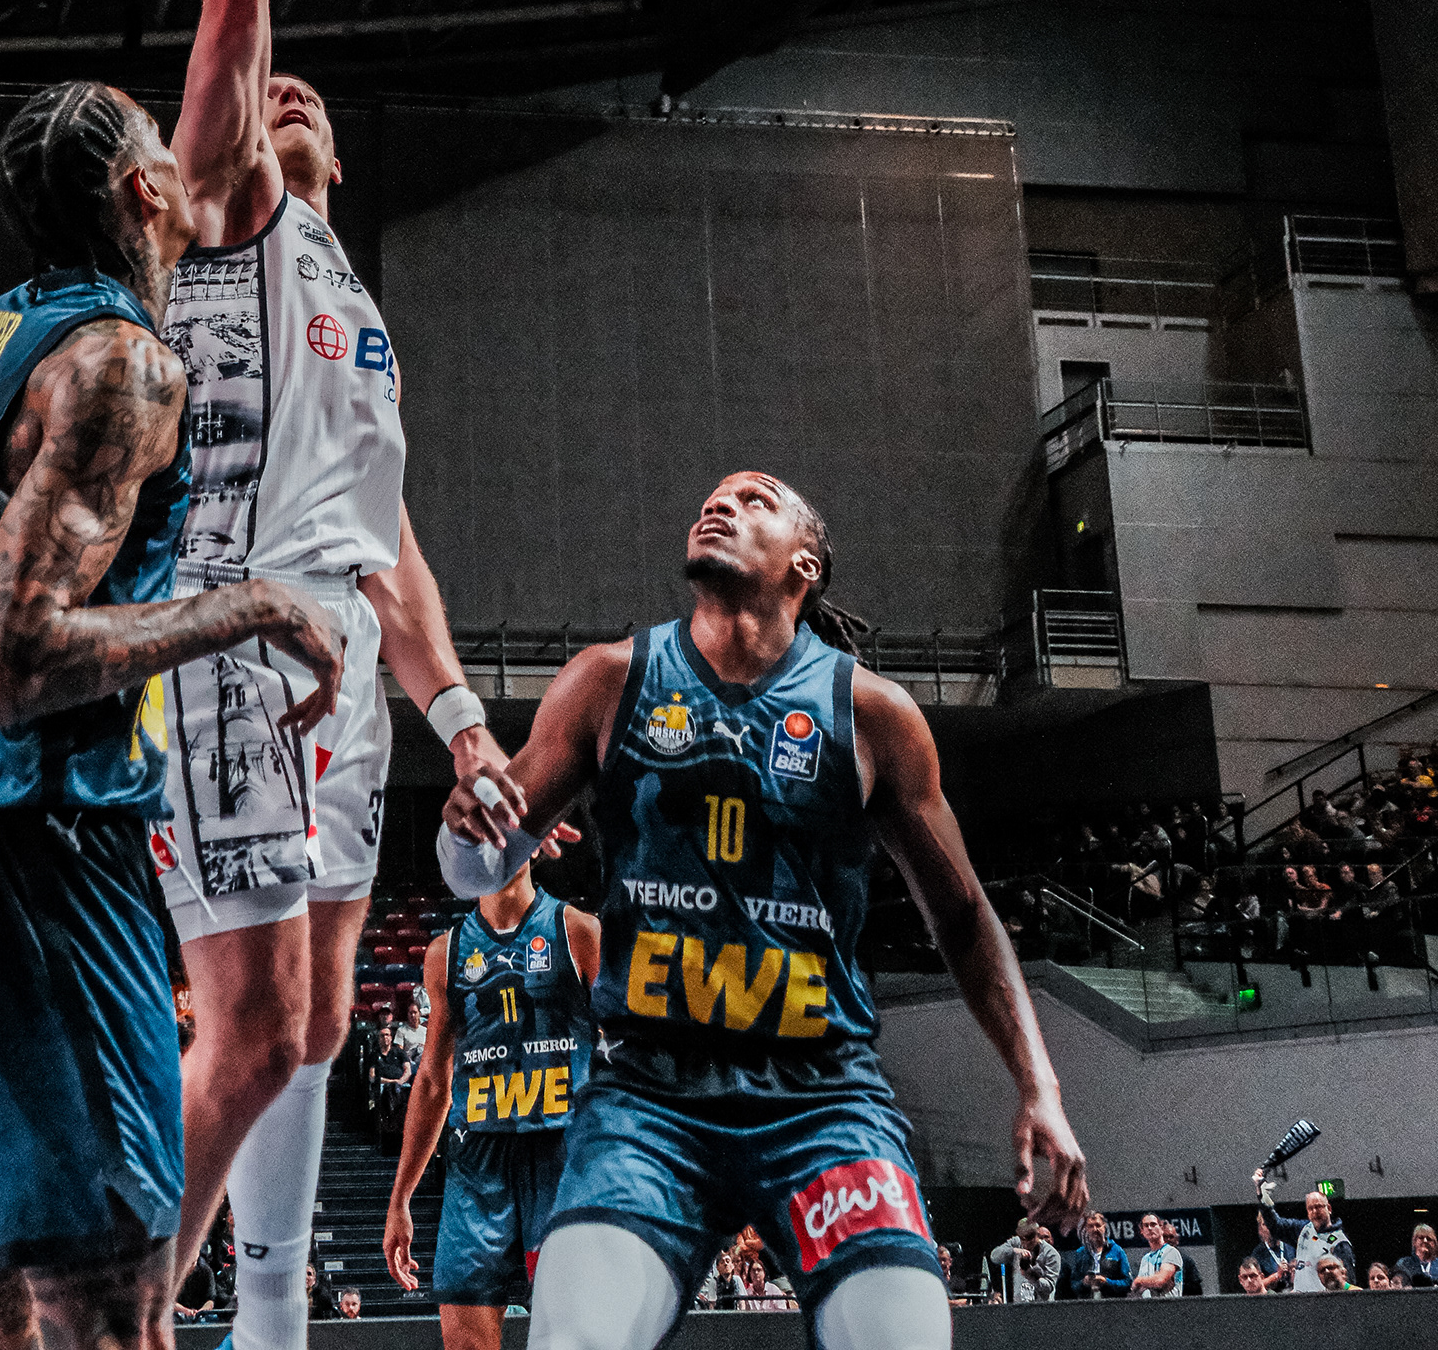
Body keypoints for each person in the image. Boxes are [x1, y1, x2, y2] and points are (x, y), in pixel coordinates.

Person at [0, 80, 346, 1350]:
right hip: (36, 847)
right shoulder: (122, 363)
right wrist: (246, 605)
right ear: (144, 190)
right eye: (161, 139)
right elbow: (13, 667)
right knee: (114, 1314)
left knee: (13, 1315)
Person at [155, 0, 526, 1350]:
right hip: (239, 642)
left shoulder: (361, 318)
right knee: (250, 1031)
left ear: (345, 156)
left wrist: (464, 720)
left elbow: (396, 552)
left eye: (314, 101)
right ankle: (108, 1313)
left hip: (352, 673)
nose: (287, 93)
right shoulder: (229, 224)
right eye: (271, 95)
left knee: (308, 1030)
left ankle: (271, 1322)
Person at [434, 471, 1087, 1350]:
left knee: (904, 1339)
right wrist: (463, 830)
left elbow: (964, 920)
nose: (720, 505)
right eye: (714, 497)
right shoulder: (609, 680)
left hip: (822, 1097)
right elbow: (479, 864)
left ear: (804, 565)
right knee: (574, 1338)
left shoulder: (871, 713)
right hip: (649, 1099)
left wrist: (1040, 1087)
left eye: (755, 500)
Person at [385, 866, 600, 1346]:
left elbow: (629, 1048)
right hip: (478, 1162)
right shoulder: (446, 953)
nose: (497, 841)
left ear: (537, 842)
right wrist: (401, 1198)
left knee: (576, 1334)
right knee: (463, 1338)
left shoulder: (578, 932)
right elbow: (433, 1082)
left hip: (562, 1155)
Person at [1252, 1177, 1353, 1294]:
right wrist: (1264, 1199)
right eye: (1311, 1208)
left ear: (1329, 1208)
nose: (1315, 1212)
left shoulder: (1339, 1242)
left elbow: (1347, 1282)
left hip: (1322, 1300)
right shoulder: (1303, 1229)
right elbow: (1276, 1227)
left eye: (1318, 1207)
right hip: (1300, 1299)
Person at [986, 1225, 1059, 1305]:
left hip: (1042, 1305)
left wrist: (1032, 1275)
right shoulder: (1017, 1242)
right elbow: (994, 1256)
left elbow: (1049, 1287)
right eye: (1023, 1240)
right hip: (1019, 1304)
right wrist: (1013, 1250)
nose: (1026, 1245)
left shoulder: (1051, 1254)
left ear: (1037, 1236)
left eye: (1030, 1240)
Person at [1064, 1217, 1130, 1301]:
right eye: (1090, 1226)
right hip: (1087, 1303)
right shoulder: (1080, 1253)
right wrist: (1084, 1282)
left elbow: (1128, 1282)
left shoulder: (1117, 1250)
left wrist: (1106, 1281)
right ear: (1086, 1230)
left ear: (1104, 1227)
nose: (1095, 1229)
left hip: (1112, 1303)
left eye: (1098, 1225)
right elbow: (1073, 1285)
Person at [1131, 1218, 1183, 1300]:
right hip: (1148, 1306)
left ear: (1161, 1228)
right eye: (1146, 1225)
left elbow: (1160, 1280)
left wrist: (1139, 1281)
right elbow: (1138, 1289)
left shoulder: (1170, 1252)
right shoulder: (1145, 1258)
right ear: (1142, 1231)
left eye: (1153, 1224)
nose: (1149, 1228)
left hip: (1168, 1305)